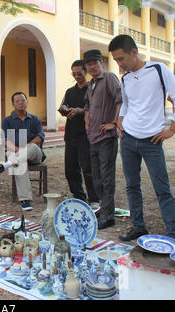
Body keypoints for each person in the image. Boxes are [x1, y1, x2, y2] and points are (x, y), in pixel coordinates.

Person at [109, 34, 175, 241]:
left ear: (134, 52)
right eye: (116, 60)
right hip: (128, 138)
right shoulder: (125, 78)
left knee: (161, 188)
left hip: (151, 140)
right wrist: (120, 121)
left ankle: (172, 233)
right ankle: (138, 226)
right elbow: (127, 103)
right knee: (132, 185)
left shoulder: (158, 69)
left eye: (121, 59)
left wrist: (172, 129)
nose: (119, 63)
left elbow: (174, 97)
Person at [83, 49, 122, 230]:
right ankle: (104, 209)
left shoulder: (110, 78)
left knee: (106, 178)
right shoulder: (90, 85)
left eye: (94, 63)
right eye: (89, 65)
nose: (92, 67)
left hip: (107, 138)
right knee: (96, 177)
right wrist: (87, 127)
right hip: (94, 138)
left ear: (101, 63)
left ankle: (108, 216)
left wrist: (114, 123)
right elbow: (88, 108)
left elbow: (120, 100)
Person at [0, 92, 46, 211]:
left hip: (33, 153)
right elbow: (5, 141)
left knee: (32, 148)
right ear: (13, 104)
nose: (21, 103)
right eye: (17, 101)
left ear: (27, 102)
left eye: (23, 100)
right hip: (14, 151)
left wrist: (25, 148)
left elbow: (40, 137)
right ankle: (25, 200)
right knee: (19, 161)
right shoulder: (7, 121)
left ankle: (6, 165)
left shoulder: (35, 119)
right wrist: (19, 150)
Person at [58, 60, 99, 210]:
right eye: (74, 74)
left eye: (79, 74)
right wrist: (64, 108)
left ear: (85, 72)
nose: (77, 77)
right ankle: (78, 195)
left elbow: (95, 109)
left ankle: (94, 198)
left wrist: (80, 111)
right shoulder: (70, 91)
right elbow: (63, 105)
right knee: (70, 168)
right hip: (70, 135)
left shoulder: (92, 89)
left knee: (88, 169)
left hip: (86, 135)